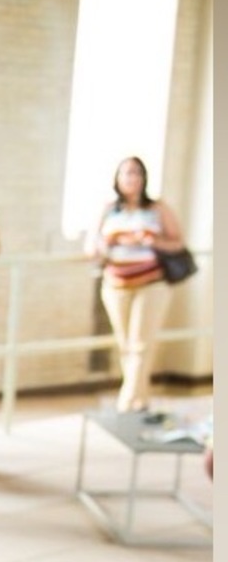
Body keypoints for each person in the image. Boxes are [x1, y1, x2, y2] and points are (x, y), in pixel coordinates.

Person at [87, 156, 186, 413]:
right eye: (127, 173)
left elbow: (178, 243)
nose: (132, 179)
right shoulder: (109, 209)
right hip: (116, 283)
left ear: (144, 178)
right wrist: (106, 245)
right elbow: (91, 246)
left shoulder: (157, 208)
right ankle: (140, 400)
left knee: (141, 343)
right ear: (118, 179)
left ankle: (126, 401)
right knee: (126, 344)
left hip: (151, 283)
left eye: (136, 173)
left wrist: (152, 241)